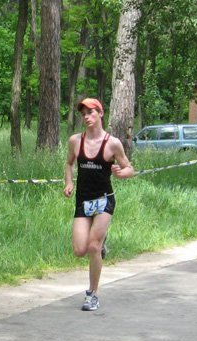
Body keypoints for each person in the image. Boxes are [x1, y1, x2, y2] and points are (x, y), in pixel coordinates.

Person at [64, 98, 134, 311]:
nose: (86, 117)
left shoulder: (112, 143)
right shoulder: (75, 141)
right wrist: (69, 182)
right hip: (83, 201)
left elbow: (129, 168)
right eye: (83, 113)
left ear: (101, 113)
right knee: (79, 250)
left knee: (93, 246)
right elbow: (69, 163)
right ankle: (101, 244)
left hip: (104, 200)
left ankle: (92, 294)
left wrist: (121, 173)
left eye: (91, 112)